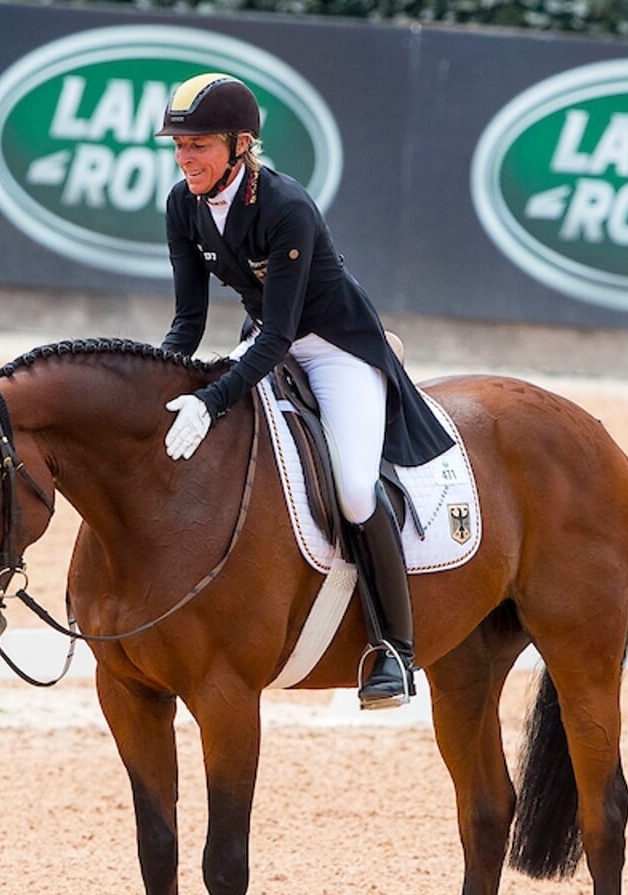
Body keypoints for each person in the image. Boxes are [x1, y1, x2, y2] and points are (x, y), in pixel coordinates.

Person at [155, 72, 453, 709]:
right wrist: (158, 380)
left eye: (198, 145)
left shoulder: (286, 207)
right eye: (178, 147)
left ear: (240, 145)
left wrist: (212, 399)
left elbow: (282, 335)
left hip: (335, 347)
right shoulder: (184, 205)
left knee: (351, 488)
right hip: (265, 338)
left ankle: (394, 652)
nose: (185, 159)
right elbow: (187, 322)